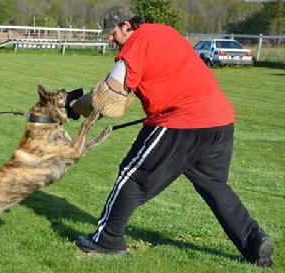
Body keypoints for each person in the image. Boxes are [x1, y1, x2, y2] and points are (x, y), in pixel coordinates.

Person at [70, 16, 274, 268]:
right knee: (215, 187)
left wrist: (75, 108)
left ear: (126, 25)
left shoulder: (136, 43)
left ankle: (107, 240)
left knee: (133, 176)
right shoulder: (164, 32)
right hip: (219, 119)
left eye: (112, 32)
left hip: (181, 120)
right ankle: (254, 242)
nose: (110, 39)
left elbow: (109, 96)